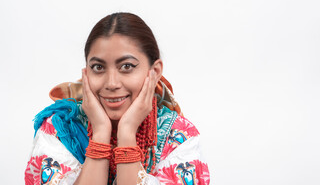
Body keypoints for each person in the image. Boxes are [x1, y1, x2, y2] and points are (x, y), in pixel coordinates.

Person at [24, 12, 210, 184]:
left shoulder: (179, 137)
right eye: (98, 67)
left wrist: (127, 134)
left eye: (127, 66)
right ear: (86, 73)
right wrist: (100, 134)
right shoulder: (59, 129)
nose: (111, 83)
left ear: (154, 72)